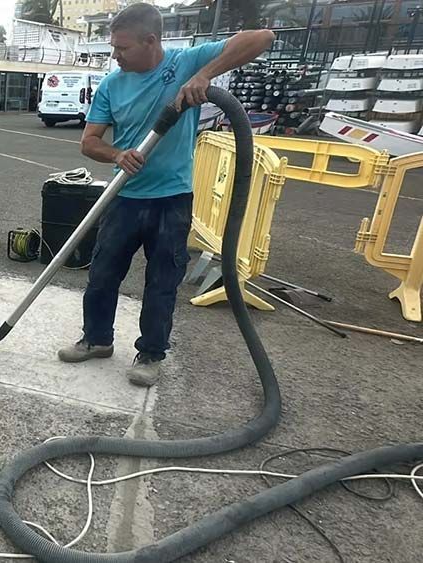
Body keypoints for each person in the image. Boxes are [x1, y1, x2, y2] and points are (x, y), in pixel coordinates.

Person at [57, 3, 274, 387]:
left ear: (150, 41)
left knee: (162, 281)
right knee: (103, 274)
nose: (114, 55)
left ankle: (151, 353)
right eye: (113, 47)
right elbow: (89, 142)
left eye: (122, 48)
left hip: (171, 199)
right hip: (124, 196)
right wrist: (117, 154)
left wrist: (204, 76)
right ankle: (96, 339)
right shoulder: (112, 84)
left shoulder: (185, 62)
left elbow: (262, 38)